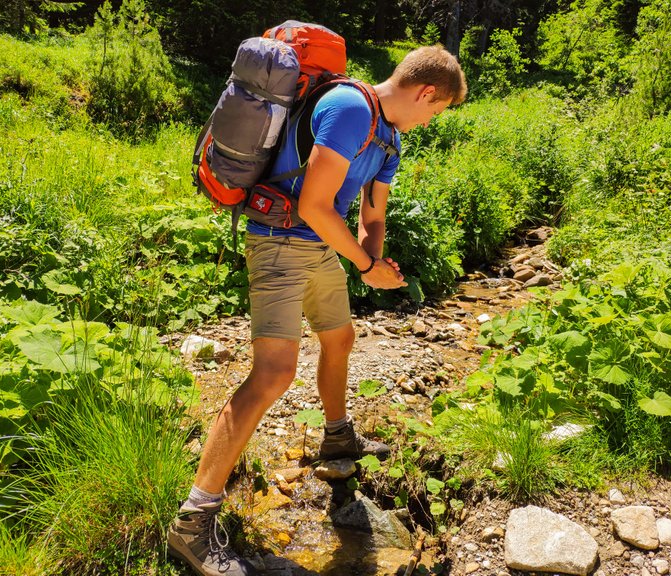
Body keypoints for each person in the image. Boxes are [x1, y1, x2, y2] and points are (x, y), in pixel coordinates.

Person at [167, 45, 467, 576]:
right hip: (280, 239)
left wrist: (374, 260)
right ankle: (192, 523)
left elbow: (372, 213)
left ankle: (336, 438)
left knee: (340, 335)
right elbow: (312, 204)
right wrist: (364, 265)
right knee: (274, 371)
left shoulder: (390, 137)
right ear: (426, 93)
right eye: (436, 111)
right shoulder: (350, 109)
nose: (430, 121)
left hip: (320, 246)